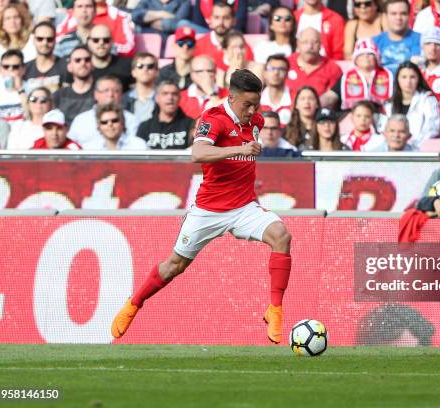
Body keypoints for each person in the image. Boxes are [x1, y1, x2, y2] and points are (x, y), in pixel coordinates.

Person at [111, 69, 293, 345]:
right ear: (231, 97)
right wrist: (239, 150)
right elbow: (198, 153)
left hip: (244, 207)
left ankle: (275, 310)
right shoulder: (213, 118)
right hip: (209, 210)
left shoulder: (255, 120)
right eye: (247, 104)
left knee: (282, 236)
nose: (253, 110)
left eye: (256, 104)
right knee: (174, 266)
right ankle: (135, 303)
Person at [383, 61, 440, 149]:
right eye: (404, 77)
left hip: (419, 148)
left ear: (418, 79)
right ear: (397, 79)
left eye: (412, 77)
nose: (408, 81)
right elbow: (383, 128)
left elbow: (433, 128)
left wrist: (412, 144)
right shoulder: (389, 104)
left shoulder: (428, 99)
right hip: (392, 148)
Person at [68, 75, 139, 146]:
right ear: (96, 94)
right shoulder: (81, 120)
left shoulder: (131, 120)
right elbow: (70, 146)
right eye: (106, 90)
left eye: (116, 91)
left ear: (121, 94)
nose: (110, 94)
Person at [57, 0, 136, 58]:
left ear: (95, 11)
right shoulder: (70, 17)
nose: (84, 10)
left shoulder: (119, 16)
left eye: (88, 6)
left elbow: (129, 47)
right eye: (80, 6)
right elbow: (57, 43)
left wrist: (104, 46)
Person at [334, 37, 393, 111]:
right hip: (352, 116)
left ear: (376, 58)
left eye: (370, 54)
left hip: (382, 116)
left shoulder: (389, 76)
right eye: (361, 54)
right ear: (356, 59)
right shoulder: (346, 78)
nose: (366, 56)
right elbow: (332, 96)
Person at [286, 28, 342, 102]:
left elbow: (332, 99)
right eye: (305, 42)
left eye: (315, 42)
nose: (310, 46)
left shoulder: (332, 68)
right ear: (298, 44)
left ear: (321, 45)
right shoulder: (286, 63)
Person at [136, 80, 194, 150]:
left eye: (174, 94)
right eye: (165, 94)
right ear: (157, 98)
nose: (170, 98)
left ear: (179, 98)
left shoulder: (190, 124)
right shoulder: (145, 127)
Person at [372, 0, 421, 75]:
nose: (398, 18)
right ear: (385, 16)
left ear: (409, 15)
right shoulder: (374, 42)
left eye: (403, 13)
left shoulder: (420, 40)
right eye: (393, 14)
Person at [52, 45, 95, 125]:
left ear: (92, 65)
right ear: (69, 67)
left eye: (87, 59)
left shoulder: (101, 94)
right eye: (77, 60)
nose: (83, 63)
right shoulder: (58, 96)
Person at [179, 55, 227, 121]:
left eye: (210, 71)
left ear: (215, 73)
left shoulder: (228, 94)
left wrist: (211, 92)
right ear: (191, 74)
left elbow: (225, 119)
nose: (206, 75)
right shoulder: (180, 97)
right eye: (200, 71)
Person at [23, 21, 66, 95]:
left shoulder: (65, 67)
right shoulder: (24, 69)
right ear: (33, 40)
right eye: (40, 39)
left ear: (55, 41)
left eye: (49, 39)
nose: (45, 43)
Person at [88, 25, 134, 92]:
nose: (101, 43)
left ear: (112, 42)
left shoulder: (127, 65)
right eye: (96, 40)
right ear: (89, 42)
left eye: (106, 40)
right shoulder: (81, 66)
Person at [83, 103, 147, 150]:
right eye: (104, 122)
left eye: (114, 120)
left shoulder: (138, 145)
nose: (110, 124)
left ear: (122, 122)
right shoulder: (90, 148)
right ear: (99, 126)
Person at [122, 52, 158, 124]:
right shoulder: (123, 99)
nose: (145, 69)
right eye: (140, 66)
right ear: (133, 72)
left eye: (150, 66)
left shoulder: (164, 98)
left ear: (157, 72)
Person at [0, 50, 26, 124]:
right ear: (0, 69)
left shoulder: (32, 89)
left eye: (15, 67)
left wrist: (20, 89)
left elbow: (32, 116)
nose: (10, 69)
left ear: (23, 69)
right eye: (6, 67)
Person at [260, 54, 293, 126]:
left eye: (281, 69)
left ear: (287, 73)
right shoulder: (255, 100)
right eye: (271, 68)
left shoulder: (296, 99)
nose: (276, 73)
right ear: (264, 73)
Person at [158, 26, 195, 91]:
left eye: (190, 44)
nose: (185, 47)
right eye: (181, 43)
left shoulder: (200, 72)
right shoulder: (163, 72)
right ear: (174, 45)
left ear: (195, 47)